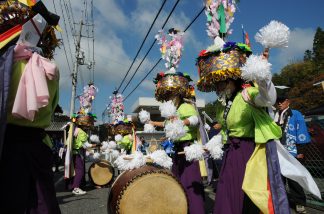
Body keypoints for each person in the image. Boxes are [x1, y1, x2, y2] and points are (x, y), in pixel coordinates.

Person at [0, 1, 61, 212]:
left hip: (7, 144)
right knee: (42, 202)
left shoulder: (4, 64)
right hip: (39, 145)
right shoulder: (51, 69)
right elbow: (53, 107)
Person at [150, 93, 205, 214]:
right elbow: (166, 125)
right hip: (177, 149)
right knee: (177, 183)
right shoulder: (172, 111)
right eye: (167, 96)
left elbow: (195, 120)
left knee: (190, 182)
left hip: (188, 149)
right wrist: (152, 122)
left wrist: (181, 122)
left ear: (178, 94)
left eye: (171, 95)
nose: (169, 98)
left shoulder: (186, 106)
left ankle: (196, 211)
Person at [275, 95, 311, 213]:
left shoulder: (295, 114)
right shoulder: (275, 115)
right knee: (280, 178)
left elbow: (302, 131)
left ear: (288, 101)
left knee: (294, 178)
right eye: (277, 102)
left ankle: (299, 203)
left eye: (281, 101)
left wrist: (301, 151)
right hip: (279, 151)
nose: (279, 103)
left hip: (293, 151)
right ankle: (282, 201)